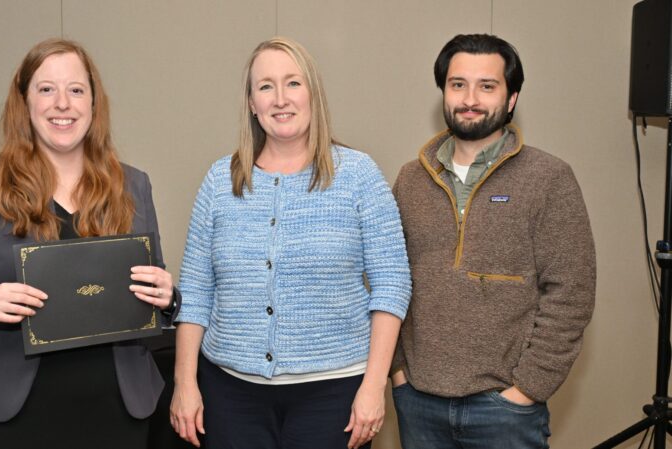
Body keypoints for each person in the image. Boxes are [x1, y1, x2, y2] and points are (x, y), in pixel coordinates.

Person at [0, 38, 179, 449]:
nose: (63, 103)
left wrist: (168, 297)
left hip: (114, 414)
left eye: (76, 90)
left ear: (94, 104)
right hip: (8, 418)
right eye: (46, 89)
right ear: (24, 102)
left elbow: (152, 286)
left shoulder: (133, 185)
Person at [170, 36, 411, 449]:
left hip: (334, 394)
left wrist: (375, 387)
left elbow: (392, 285)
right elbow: (195, 291)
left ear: (313, 93)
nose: (281, 99)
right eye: (266, 86)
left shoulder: (358, 175)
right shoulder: (219, 181)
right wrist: (184, 383)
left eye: (293, 83)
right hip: (229, 394)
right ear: (251, 102)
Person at [390, 33, 596, 449]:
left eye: (487, 86)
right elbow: (388, 279)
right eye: (458, 84)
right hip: (417, 401)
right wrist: (398, 373)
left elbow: (571, 292)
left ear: (512, 97)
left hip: (505, 411)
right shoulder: (410, 180)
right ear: (443, 92)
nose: (470, 98)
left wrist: (527, 389)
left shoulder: (549, 178)